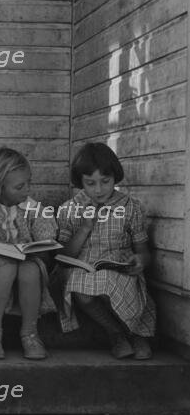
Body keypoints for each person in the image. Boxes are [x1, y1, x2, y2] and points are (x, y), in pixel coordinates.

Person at [57, 142, 155, 359]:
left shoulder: (130, 207)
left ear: (115, 178)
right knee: (82, 290)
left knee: (115, 284)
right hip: (83, 268)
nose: (99, 189)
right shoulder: (69, 209)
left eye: (105, 181)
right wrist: (84, 228)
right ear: (80, 181)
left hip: (119, 268)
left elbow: (144, 251)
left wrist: (140, 260)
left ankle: (136, 334)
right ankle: (117, 334)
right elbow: (64, 257)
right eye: (90, 183)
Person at [0, 147, 57, 360]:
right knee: (6, 266)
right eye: (19, 186)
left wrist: (39, 244)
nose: (27, 189)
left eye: (28, 183)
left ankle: (30, 334)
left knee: (29, 268)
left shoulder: (32, 208)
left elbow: (46, 239)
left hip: (25, 273)